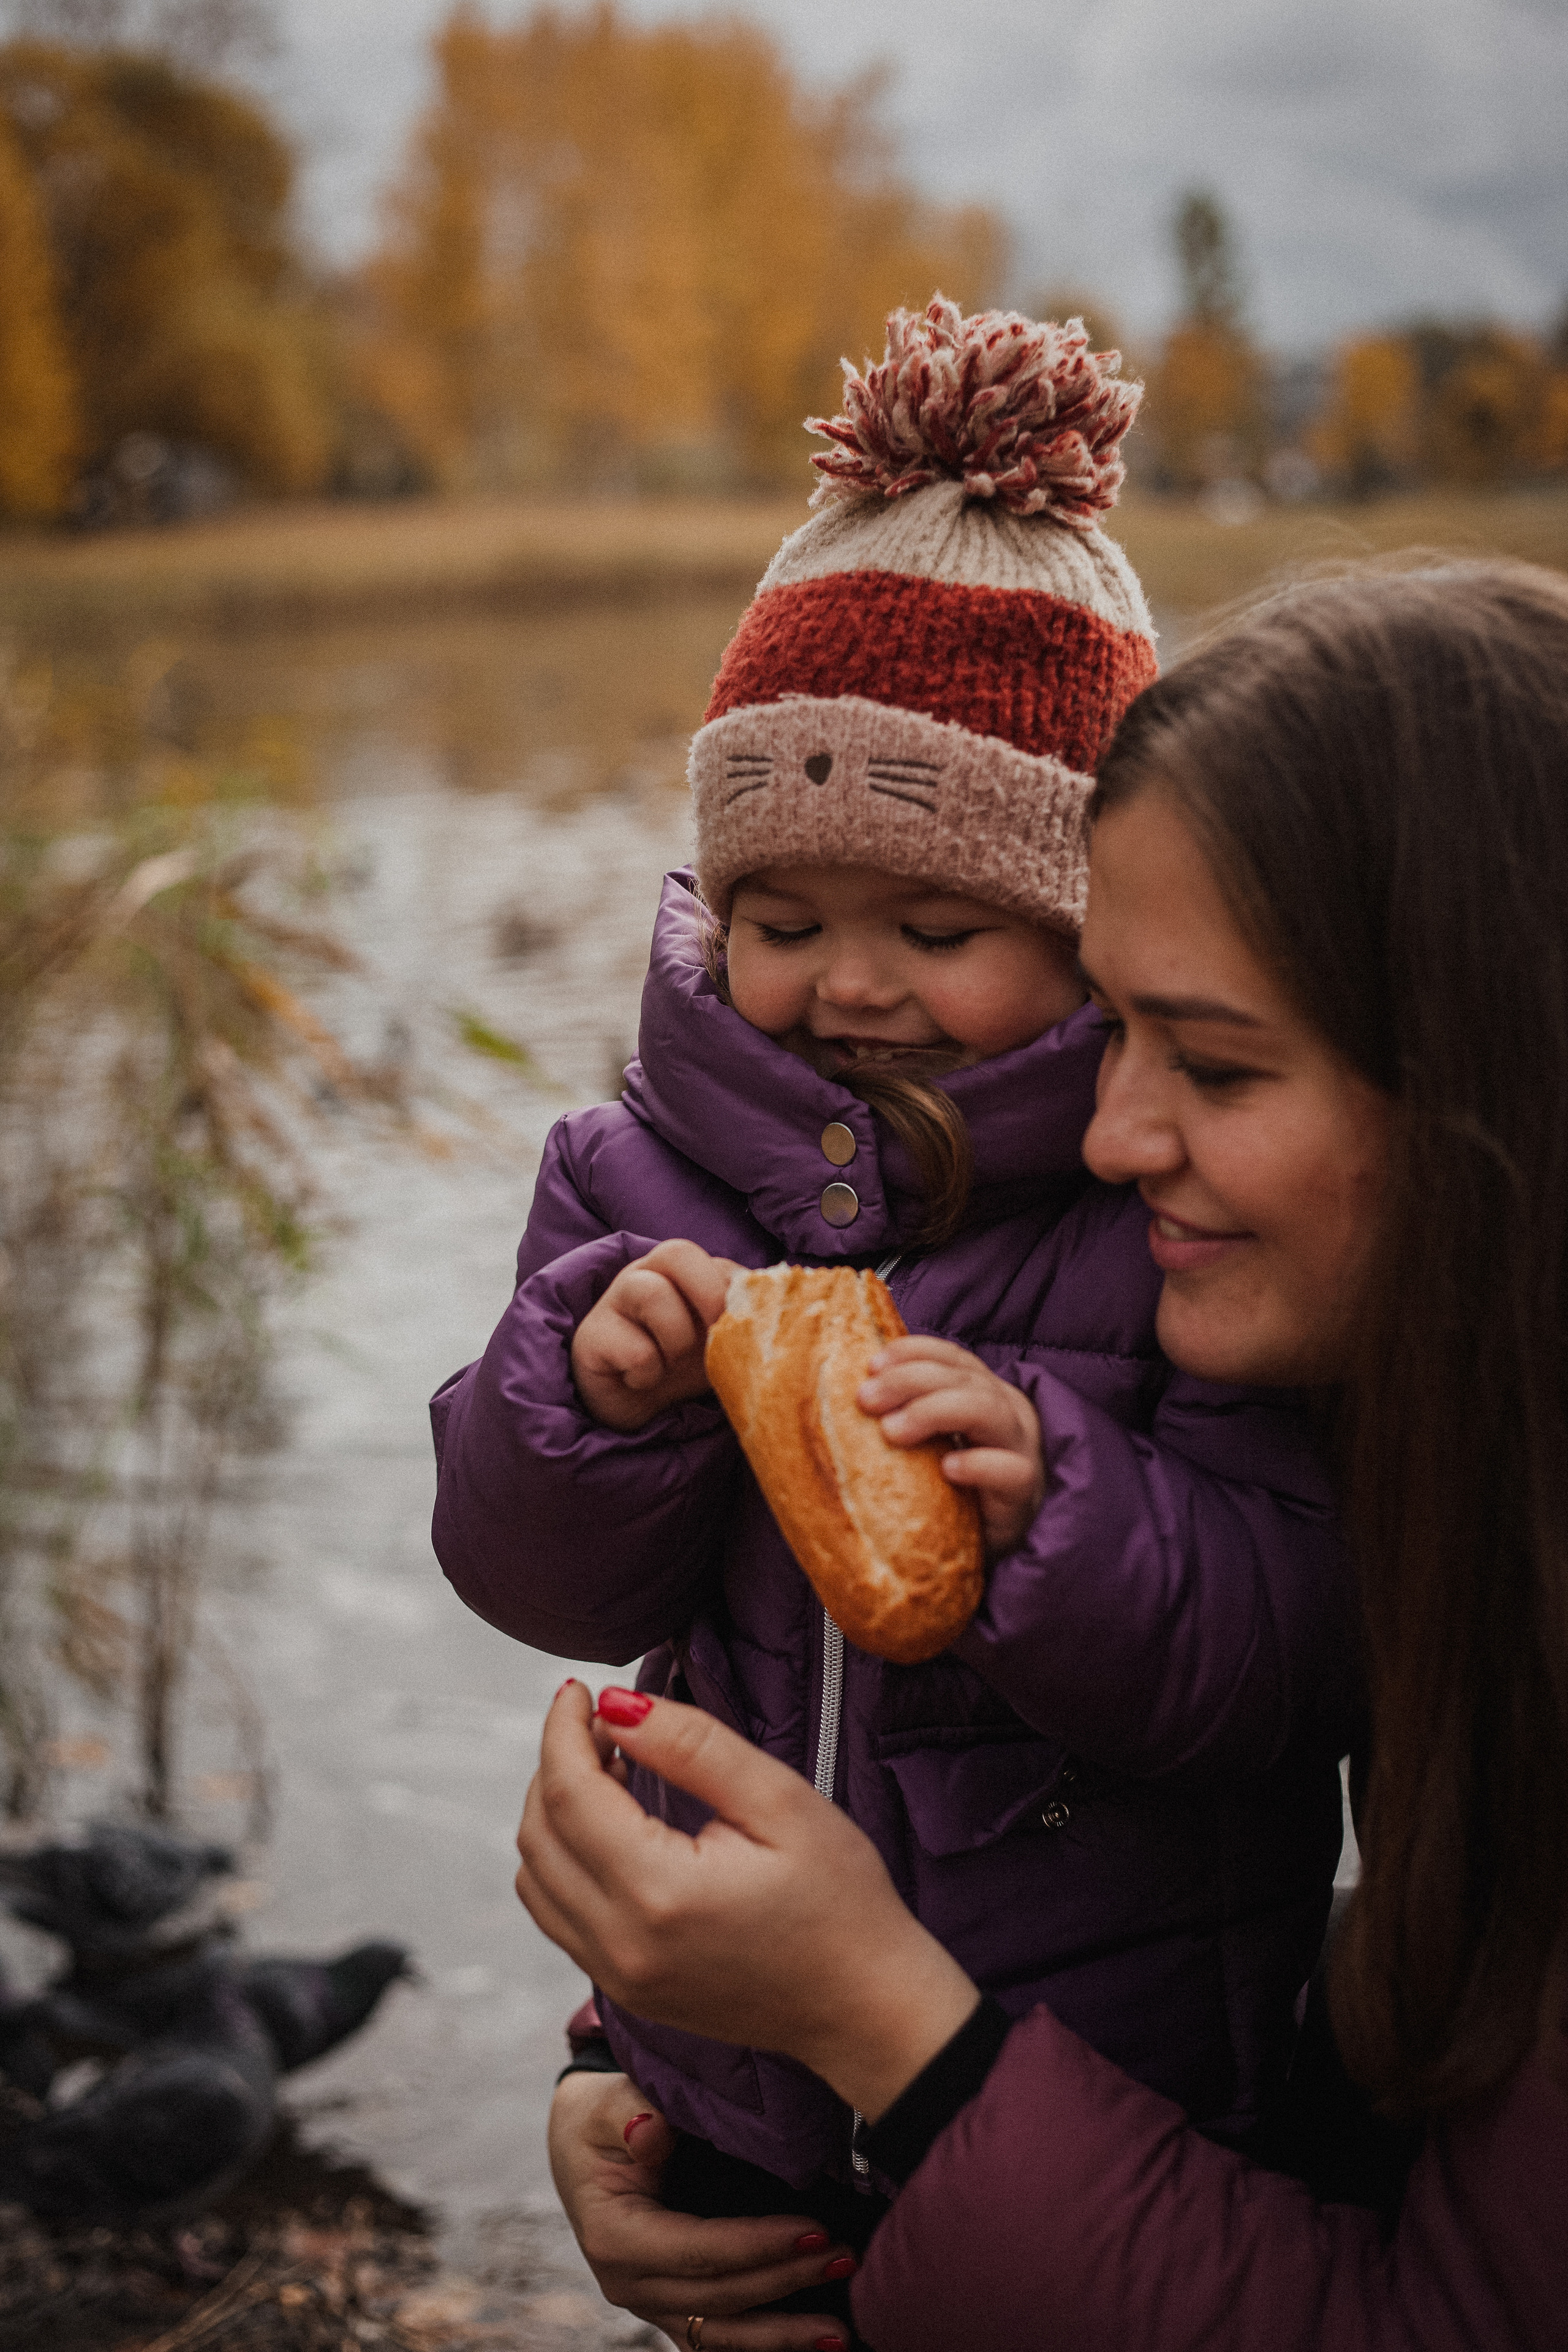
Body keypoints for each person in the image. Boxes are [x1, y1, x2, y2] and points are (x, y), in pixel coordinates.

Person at [517, 558, 1568, 2351]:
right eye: (1116, 1029)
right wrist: (667, 2045)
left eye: (1213, 1067)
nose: (1108, 1132)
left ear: (1497, 1080)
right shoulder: (1458, 1458)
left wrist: (888, 2037)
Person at [432, 300, 1357, 2329]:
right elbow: (530, 1581)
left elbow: (1289, 1648)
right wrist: (592, 1403)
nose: (851, 986)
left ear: (1092, 934)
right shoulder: (629, 1179)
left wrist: (1056, 1507)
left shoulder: (1161, 1219)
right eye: (783, 922)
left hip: (1110, 2080)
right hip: (728, 2071)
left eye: (938, 929)